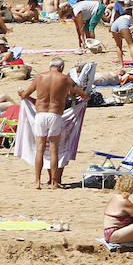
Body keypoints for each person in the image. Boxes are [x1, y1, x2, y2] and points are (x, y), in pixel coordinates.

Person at [19, 57, 81, 189]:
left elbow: (26, 94)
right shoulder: (65, 79)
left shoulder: (39, 77)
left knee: (40, 149)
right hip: (55, 115)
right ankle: (54, 182)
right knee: (54, 150)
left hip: (40, 115)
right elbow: (81, 92)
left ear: (50, 66)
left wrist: (21, 93)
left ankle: (37, 181)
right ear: (62, 67)